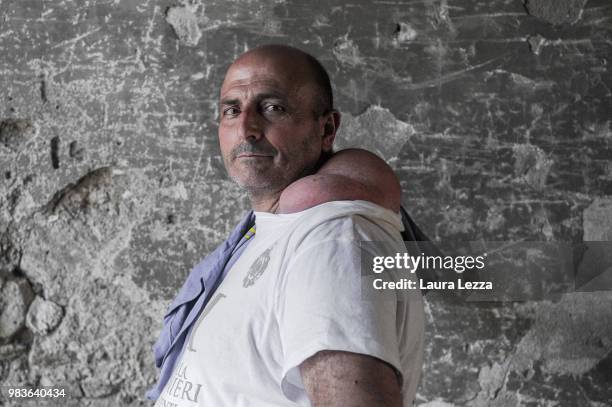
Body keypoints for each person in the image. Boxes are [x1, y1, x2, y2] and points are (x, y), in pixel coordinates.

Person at [148, 44, 424, 406]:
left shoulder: (331, 242)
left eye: (272, 108)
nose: (246, 128)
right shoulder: (264, 231)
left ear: (327, 129)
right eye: (232, 110)